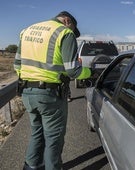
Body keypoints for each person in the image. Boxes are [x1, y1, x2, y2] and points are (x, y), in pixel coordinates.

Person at [14, 11, 91, 170]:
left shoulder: (27, 30)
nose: (73, 33)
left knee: (37, 133)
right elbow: (73, 72)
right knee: (53, 138)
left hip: (27, 92)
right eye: (73, 29)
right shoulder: (64, 33)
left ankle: (31, 167)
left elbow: (17, 66)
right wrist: (90, 72)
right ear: (67, 20)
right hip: (50, 95)